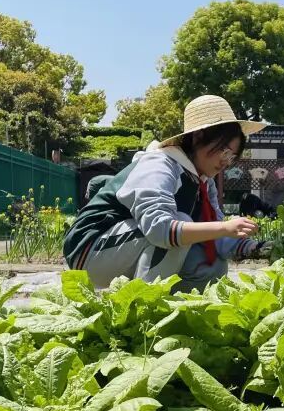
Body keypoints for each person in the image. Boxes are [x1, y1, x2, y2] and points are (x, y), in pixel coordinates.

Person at [64, 95, 269, 291]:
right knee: (177, 226)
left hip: (127, 247)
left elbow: (214, 235)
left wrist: (255, 247)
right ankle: (145, 307)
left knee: (211, 263)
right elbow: (159, 229)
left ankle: (177, 310)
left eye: (232, 157)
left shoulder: (205, 182)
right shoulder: (160, 164)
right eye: (224, 152)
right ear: (198, 137)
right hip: (90, 250)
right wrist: (223, 227)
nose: (226, 162)